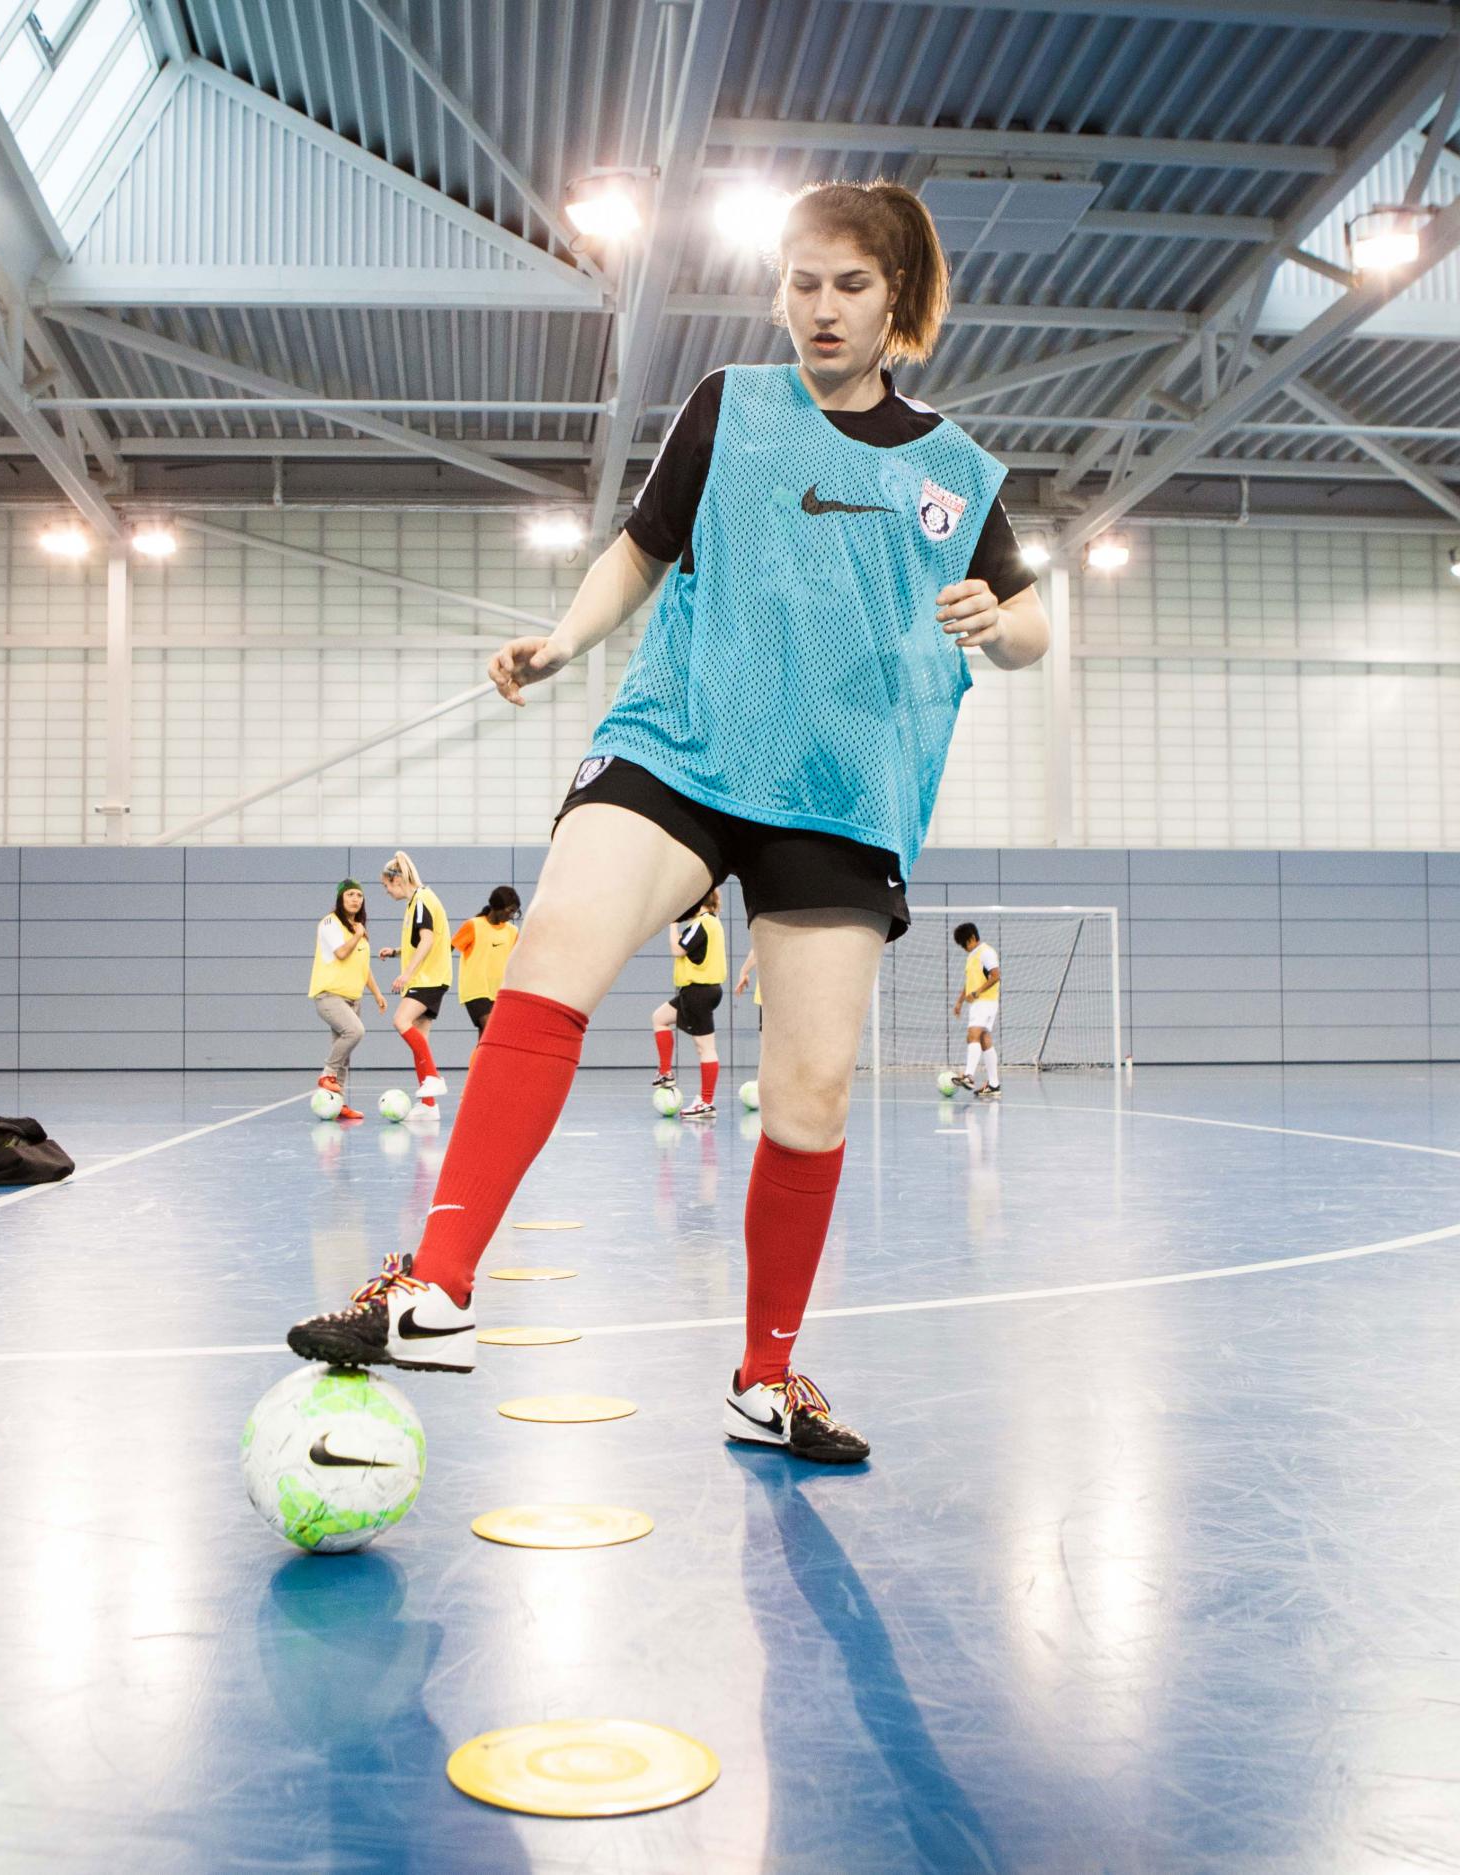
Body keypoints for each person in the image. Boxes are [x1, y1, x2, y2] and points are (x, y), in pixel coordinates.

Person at [285, 179, 1046, 1463]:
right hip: (683, 739)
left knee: (806, 1094)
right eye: (801, 281)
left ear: (898, 300)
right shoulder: (729, 409)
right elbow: (639, 549)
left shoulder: (951, 470)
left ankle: (767, 1377)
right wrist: (566, 640)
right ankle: (440, 1287)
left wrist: (997, 623)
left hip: (840, 790)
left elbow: (1027, 620)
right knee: (556, 950)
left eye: (848, 286)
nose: (817, 308)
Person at [372, 851, 451, 1107]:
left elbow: (428, 940)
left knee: (400, 1020)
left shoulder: (421, 899)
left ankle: (435, 1078)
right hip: (430, 977)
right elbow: (421, 941)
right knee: (420, 1041)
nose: (387, 892)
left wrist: (405, 975)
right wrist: (396, 952)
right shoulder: (415, 903)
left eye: (386, 886)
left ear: (397, 880)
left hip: (427, 979)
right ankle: (429, 1105)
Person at [308, 881, 389, 1123]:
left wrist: (377, 994)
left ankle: (337, 1105)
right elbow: (342, 953)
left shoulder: (359, 930)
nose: (356, 899)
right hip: (329, 995)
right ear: (341, 898)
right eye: (351, 894)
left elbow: (364, 968)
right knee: (355, 1032)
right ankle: (326, 1074)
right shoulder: (331, 923)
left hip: (353, 998)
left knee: (345, 1055)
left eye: (360, 895)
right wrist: (357, 935)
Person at [654, 888, 728, 1118]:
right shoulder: (710, 923)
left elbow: (678, 949)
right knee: (659, 1018)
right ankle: (666, 1072)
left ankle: (706, 1102)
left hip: (700, 991)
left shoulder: (703, 923)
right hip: (696, 992)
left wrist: (672, 924)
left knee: (705, 1048)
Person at [452, 886, 522, 1032]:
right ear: (497, 907)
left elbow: (517, 963)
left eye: (515, 912)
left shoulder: (512, 931)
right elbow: (447, 949)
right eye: (510, 911)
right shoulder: (473, 925)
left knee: (486, 1040)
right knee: (493, 1033)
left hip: (500, 992)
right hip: (476, 990)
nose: (511, 916)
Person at [952, 921, 1002, 1100]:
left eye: (964, 944)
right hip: (979, 1003)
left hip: (985, 1001)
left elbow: (996, 976)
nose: (964, 948)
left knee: (972, 1035)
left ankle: (969, 1076)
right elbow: (970, 982)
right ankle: (994, 1085)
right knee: (984, 1039)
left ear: (972, 938)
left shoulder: (986, 952)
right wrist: (959, 1002)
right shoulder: (972, 956)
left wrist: (978, 992)